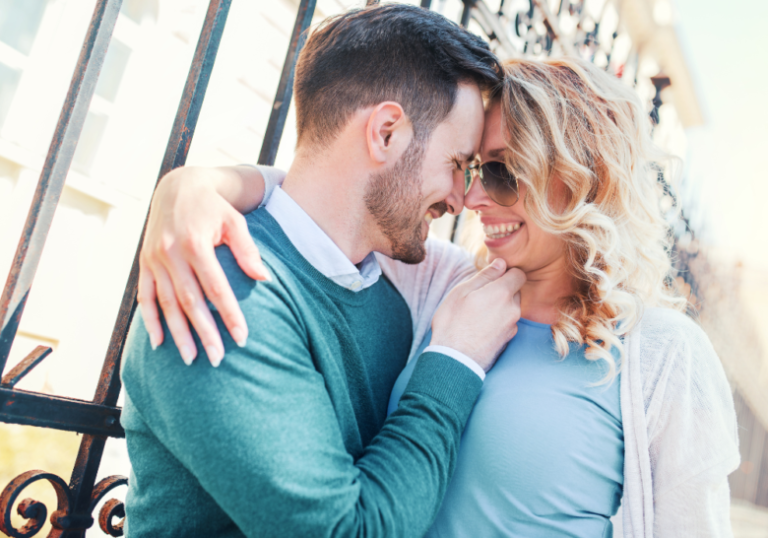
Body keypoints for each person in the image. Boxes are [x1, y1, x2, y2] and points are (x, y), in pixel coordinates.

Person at [141, 57, 741, 536]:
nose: (472, 198)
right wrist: (195, 187)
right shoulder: (443, 284)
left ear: (582, 178)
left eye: (502, 172)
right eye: (471, 169)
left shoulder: (660, 355)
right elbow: (329, 206)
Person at [120, 5, 526, 537]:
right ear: (385, 133)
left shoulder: (389, 289)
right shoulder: (221, 289)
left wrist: (206, 182)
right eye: (458, 165)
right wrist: (454, 363)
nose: (462, 198)